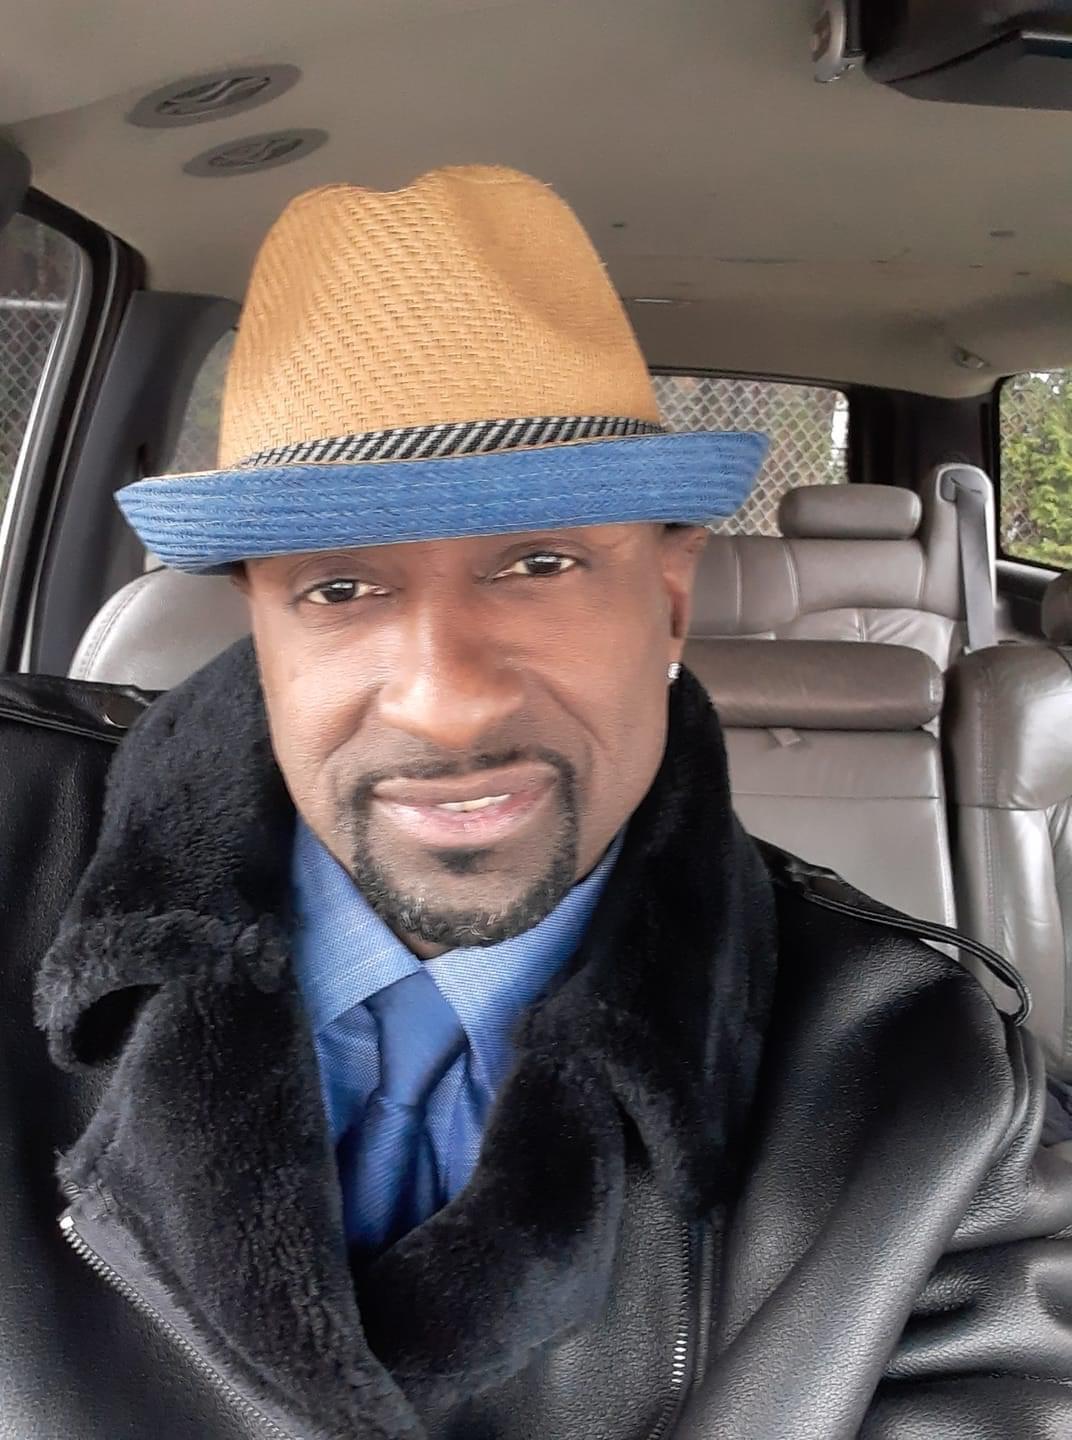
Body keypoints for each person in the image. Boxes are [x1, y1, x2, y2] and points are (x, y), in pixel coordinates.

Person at [2, 165, 1071, 1440]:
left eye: (540, 563)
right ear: (260, 625)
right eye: (339, 589)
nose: (447, 704)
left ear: (667, 601)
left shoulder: (934, 1101)